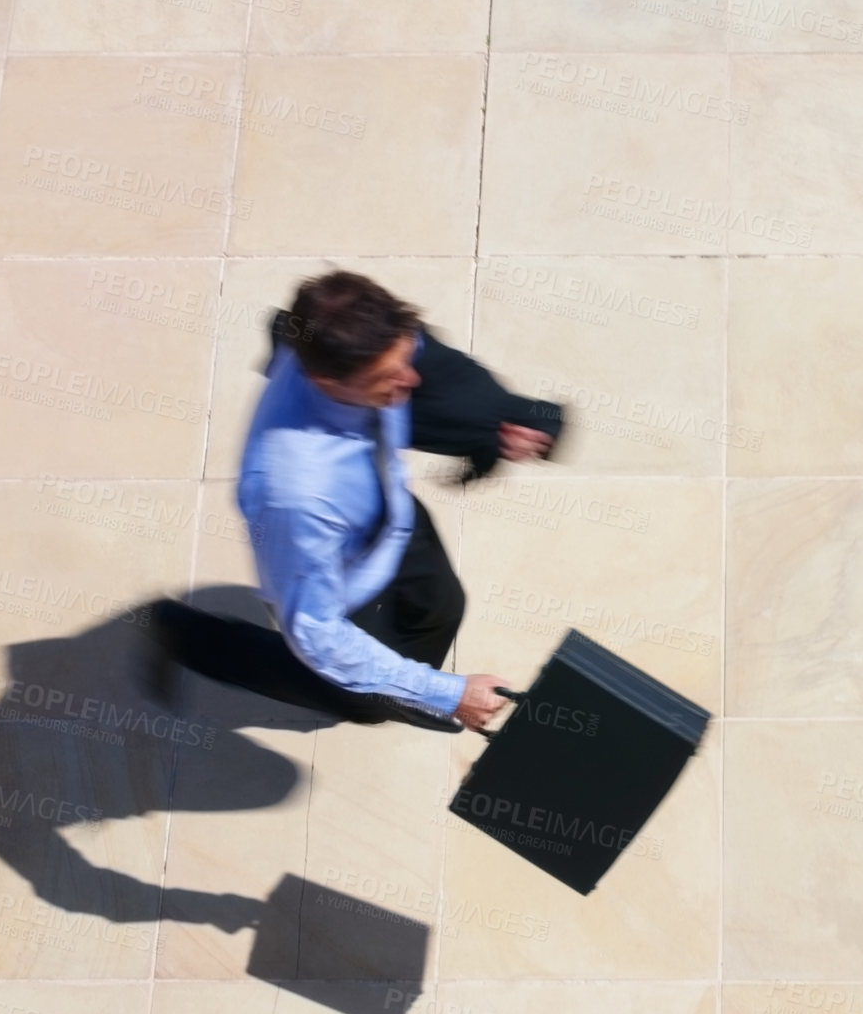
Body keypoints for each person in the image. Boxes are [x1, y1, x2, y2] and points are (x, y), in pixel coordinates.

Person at [144, 270, 565, 734]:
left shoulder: (346, 334)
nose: (410, 381)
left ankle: (394, 684)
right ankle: (186, 636)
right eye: (385, 378)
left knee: (442, 606)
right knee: (363, 702)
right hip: (339, 572)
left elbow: (431, 365)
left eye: (405, 356)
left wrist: (509, 417)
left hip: (388, 513)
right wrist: (446, 692)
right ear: (326, 381)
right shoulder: (297, 494)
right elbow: (318, 631)